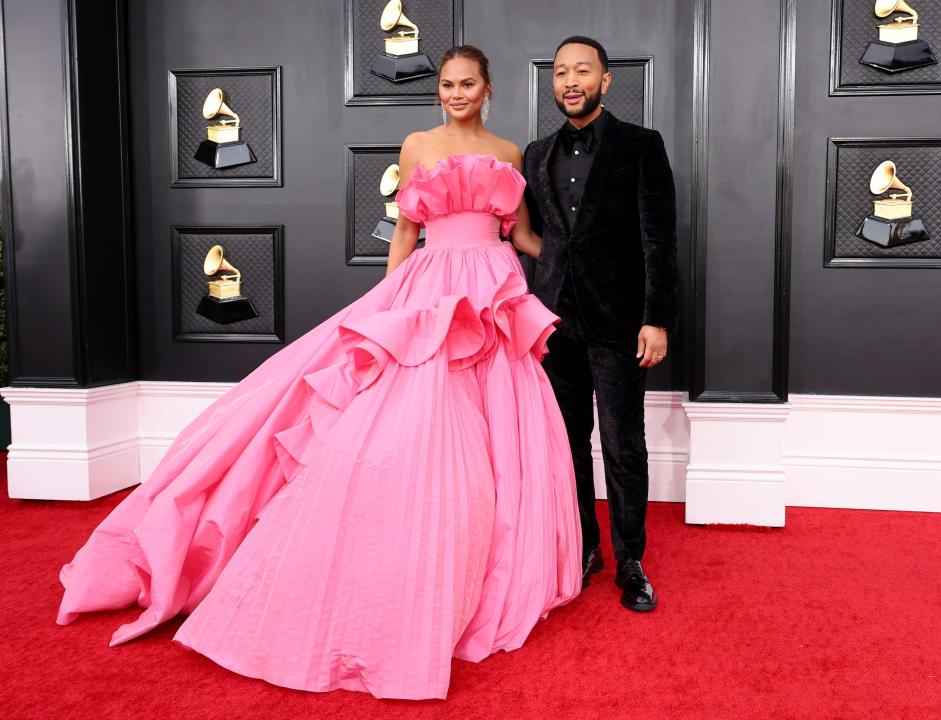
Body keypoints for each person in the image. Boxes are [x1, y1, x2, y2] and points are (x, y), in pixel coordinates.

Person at [56, 45, 581, 701]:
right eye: (446, 83)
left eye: (466, 84)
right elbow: (403, 236)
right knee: (408, 432)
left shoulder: (509, 153)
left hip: (493, 293)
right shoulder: (416, 144)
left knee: (501, 430)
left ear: (489, 88)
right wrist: (391, 305)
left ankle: (482, 559)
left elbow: (524, 236)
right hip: (429, 296)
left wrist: (583, 247)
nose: (454, 93)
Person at [520, 36, 678, 612]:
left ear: (605, 81)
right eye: (560, 71)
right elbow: (535, 238)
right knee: (567, 446)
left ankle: (630, 558)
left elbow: (659, 238)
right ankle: (585, 546)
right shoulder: (536, 154)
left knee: (621, 443)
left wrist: (656, 319)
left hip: (618, 321)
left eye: (582, 71)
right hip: (555, 322)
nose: (570, 81)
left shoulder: (641, 145)